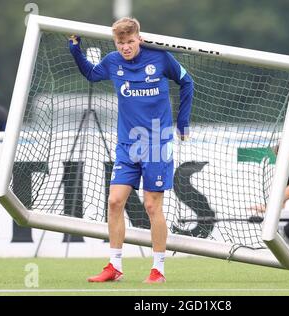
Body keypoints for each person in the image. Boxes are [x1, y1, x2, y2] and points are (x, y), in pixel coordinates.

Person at [69, 17, 193, 283]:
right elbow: (91, 74)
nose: (125, 47)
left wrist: (182, 122)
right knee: (114, 202)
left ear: (139, 38)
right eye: (120, 42)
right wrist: (75, 50)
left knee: (151, 205)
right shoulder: (113, 61)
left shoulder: (159, 57)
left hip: (157, 143)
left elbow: (187, 82)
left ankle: (158, 269)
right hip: (127, 144)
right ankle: (114, 267)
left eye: (130, 42)